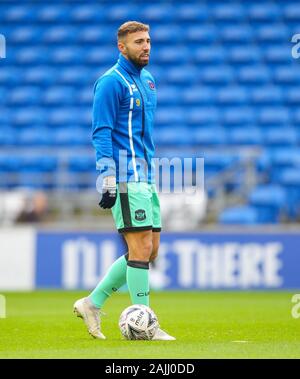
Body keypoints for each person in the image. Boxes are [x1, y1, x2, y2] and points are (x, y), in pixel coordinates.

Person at [73, 21, 175, 341]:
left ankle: (93, 302)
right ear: (122, 47)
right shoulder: (109, 82)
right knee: (141, 248)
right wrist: (107, 175)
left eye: (148, 41)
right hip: (125, 176)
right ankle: (146, 324)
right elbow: (101, 131)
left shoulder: (148, 80)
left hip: (147, 176)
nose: (145, 46)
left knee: (150, 250)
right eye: (138, 42)